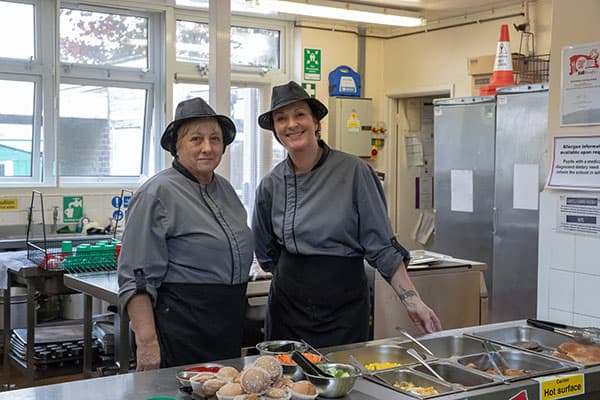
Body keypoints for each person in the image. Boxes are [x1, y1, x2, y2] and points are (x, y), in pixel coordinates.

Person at [252, 81, 442, 348]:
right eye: (281, 119)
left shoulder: (355, 172)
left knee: (342, 382)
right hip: (287, 309)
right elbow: (265, 252)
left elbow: (381, 246)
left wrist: (412, 301)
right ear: (276, 131)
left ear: (316, 122)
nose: (291, 124)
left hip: (343, 309)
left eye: (300, 115)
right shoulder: (270, 185)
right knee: (286, 385)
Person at [118, 97, 254, 370]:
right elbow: (137, 279)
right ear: (176, 146)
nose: (208, 147)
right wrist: (146, 344)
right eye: (196, 139)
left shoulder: (226, 189)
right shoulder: (157, 193)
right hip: (180, 327)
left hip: (224, 326)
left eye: (215, 139)